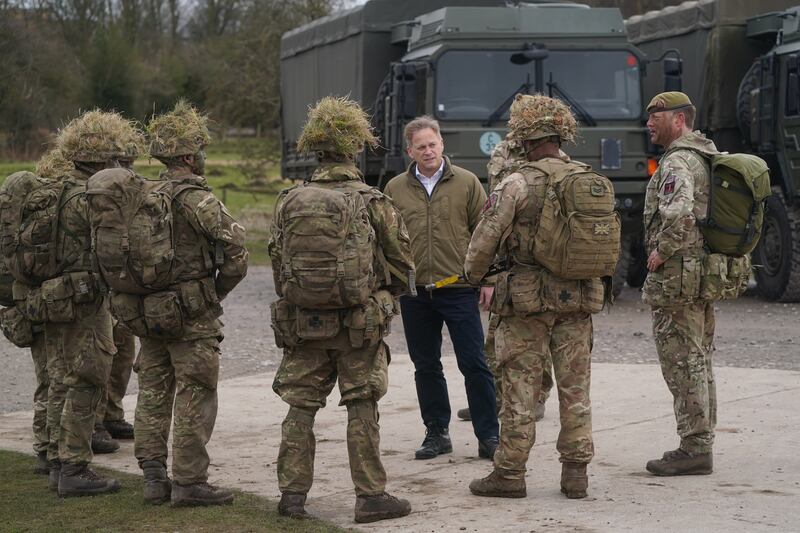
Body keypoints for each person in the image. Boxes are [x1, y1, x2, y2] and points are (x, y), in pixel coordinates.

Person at [269, 96, 415, 523]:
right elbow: (404, 266)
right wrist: (383, 297)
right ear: (355, 149)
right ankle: (370, 497)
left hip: (303, 325)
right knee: (361, 405)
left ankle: (292, 496)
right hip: (358, 327)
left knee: (300, 407)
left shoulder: (289, 200)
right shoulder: (372, 201)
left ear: (316, 150)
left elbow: (278, 261)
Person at [465, 94, 608, 499]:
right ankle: (576, 475)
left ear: (525, 140)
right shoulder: (589, 179)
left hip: (527, 303)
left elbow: (485, 238)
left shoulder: (516, 183)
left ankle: (510, 474)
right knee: (575, 389)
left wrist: (474, 276)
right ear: (560, 136)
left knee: (519, 388)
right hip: (579, 300)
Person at [120, 100, 248, 506]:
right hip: (192, 316)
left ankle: (153, 477)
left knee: (153, 392)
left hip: (148, 313)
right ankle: (190, 483)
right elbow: (237, 248)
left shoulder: (142, 195)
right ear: (190, 156)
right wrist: (215, 292)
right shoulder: (198, 199)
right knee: (195, 391)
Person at [384, 116, 499, 461]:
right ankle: (437, 432)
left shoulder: (466, 183)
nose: (428, 150)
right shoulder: (394, 189)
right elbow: (386, 240)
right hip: (416, 293)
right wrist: (390, 285)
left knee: (474, 364)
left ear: (442, 144)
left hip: (458, 288)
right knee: (426, 365)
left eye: (433, 143)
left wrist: (489, 279)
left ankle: (489, 435)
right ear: (410, 151)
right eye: (421, 146)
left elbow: (486, 232)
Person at [44, 111, 144, 497]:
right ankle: (74, 467)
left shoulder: (54, 189)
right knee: (87, 380)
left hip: (54, 298)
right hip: (86, 301)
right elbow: (113, 251)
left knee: (61, 378)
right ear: (102, 158)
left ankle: (56, 461)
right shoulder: (92, 197)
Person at [642, 91, 719, 476]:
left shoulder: (677, 161)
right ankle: (702, 440)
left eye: (656, 116)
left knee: (681, 360)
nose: (649, 124)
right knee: (699, 358)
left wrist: (660, 251)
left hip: (678, 278)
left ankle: (694, 447)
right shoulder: (705, 153)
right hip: (701, 273)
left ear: (679, 119)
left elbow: (679, 213)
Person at [457, 133, 552, 425]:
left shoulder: (547, 154)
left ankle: (536, 397)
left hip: (535, 256)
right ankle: (493, 397)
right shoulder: (501, 152)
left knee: (539, 337)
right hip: (507, 254)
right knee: (497, 335)